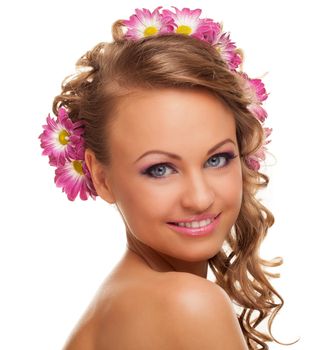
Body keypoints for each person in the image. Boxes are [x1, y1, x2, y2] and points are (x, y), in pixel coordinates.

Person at [39, 6, 297, 350]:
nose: (200, 198)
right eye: (159, 169)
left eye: (217, 159)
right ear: (100, 177)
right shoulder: (186, 303)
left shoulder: (118, 300)